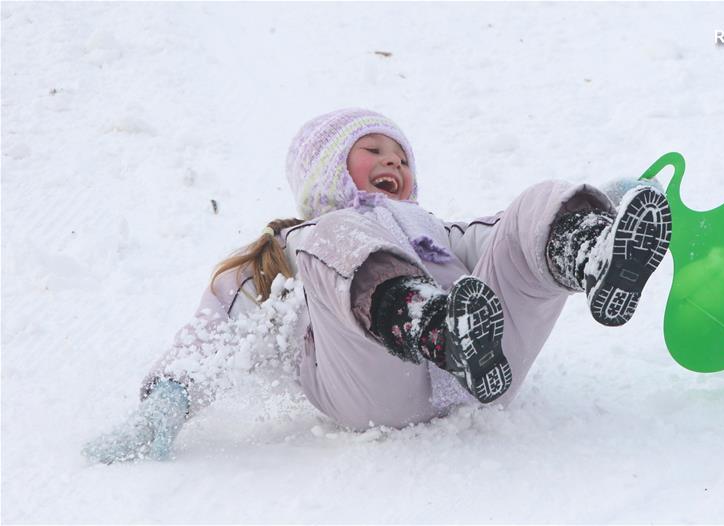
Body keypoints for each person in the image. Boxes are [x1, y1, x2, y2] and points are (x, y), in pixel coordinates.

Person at [82, 108, 671, 464]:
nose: (395, 162)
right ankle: (433, 325)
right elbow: (211, 333)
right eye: (374, 150)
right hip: (372, 388)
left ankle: (592, 253)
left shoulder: (436, 230)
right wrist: (167, 403)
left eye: (402, 156)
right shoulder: (295, 248)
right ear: (329, 168)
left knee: (531, 203)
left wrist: (596, 209)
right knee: (335, 237)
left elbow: (504, 240)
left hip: (486, 373)